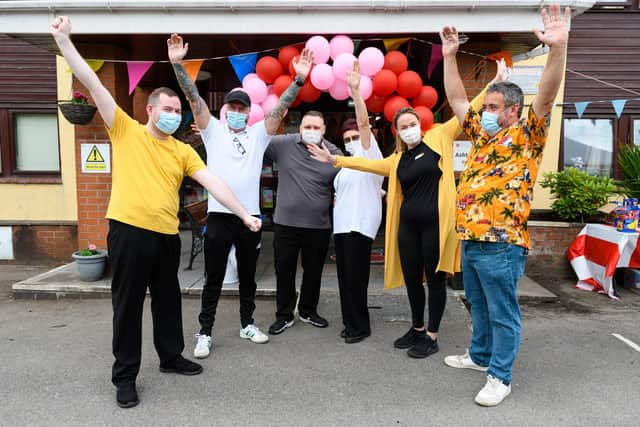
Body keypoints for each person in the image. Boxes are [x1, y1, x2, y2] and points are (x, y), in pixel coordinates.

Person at [51, 16, 261, 409]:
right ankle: (125, 377)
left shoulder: (181, 150)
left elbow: (213, 182)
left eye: (177, 109)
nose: (173, 114)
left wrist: (245, 213)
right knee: (127, 306)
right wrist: (65, 41)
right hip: (129, 232)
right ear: (149, 110)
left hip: (166, 237)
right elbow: (93, 83)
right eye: (166, 107)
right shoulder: (124, 128)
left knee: (168, 300)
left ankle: (170, 356)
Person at [308, 65, 507, 358]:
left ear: (420, 125)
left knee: (435, 278)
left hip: (436, 225)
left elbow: (466, 108)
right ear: (397, 132)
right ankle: (416, 327)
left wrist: (494, 83)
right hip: (408, 228)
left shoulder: (438, 137)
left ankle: (432, 334)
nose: (409, 128)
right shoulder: (398, 158)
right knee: (413, 279)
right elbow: (366, 164)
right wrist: (334, 161)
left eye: (412, 123)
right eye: (403, 126)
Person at [441, 5, 569, 407]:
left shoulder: (529, 135)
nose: (487, 112)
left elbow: (546, 96)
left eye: (494, 107)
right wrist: (448, 57)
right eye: (488, 107)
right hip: (472, 238)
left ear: (514, 110)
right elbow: (459, 100)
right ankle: (480, 357)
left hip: (502, 242)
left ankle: (500, 375)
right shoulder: (482, 134)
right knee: (476, 303)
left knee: (502, 312)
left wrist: (558, 50)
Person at [167, 35, 313, 357]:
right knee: (214, 278)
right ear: (224, 110)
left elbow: (282, 107)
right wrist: (178, 64)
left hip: (251, 218)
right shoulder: (213, 129)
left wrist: (300, 79)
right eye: (232, 106)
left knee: (248, 278)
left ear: (249, 112)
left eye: (242, 107)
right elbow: (193, 99)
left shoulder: (259, 134)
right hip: (220, 216)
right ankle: (204, 332)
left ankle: (248, 323)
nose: (236, 111)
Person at [265, 111, 343, 335]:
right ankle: (284, 315)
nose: (311, 131)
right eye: (307, 127)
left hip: (318, 225)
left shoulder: (333, 152)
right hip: (286, 223)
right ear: (300, 128)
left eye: (316, 128)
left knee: (313, 271)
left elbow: (349, 178)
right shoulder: (283, 144)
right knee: (284, 269)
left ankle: (308, 311)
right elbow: (256, 141)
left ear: (324, 129)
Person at [333, 62, 384, 344]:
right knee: (345, 280)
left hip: (359, 227)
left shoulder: (370, 156)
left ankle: (360, 327)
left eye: (355, 137)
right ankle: (349, 322)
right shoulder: (344, 167)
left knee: (356, 280)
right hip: (341, 228)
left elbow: (363, 123)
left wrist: (356, 93)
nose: (353, 141)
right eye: (347, 138)